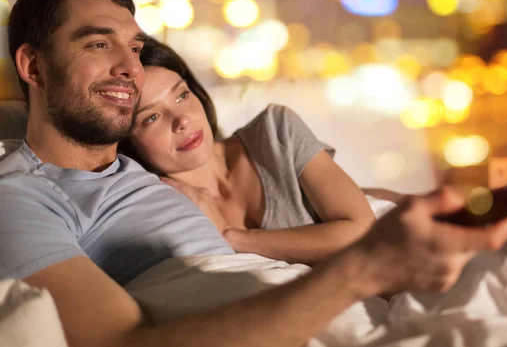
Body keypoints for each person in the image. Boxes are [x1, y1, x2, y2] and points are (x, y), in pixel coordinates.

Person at [0, 0, 507, 347]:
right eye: (98, 43)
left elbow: (318, 203)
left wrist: (396, 210)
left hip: (332, 308)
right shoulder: (18, 197)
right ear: (34, 66)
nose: (130, 69)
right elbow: (125, 342)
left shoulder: (149, 170)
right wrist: (365, 269)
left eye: (135, 49)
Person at [118, 37, 376, 264]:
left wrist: (235, 237)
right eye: (151, 118)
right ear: (129, 142)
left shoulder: (276, 132)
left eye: (181, 96)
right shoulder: (154, 202)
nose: (181, 120)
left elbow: (362, 231)